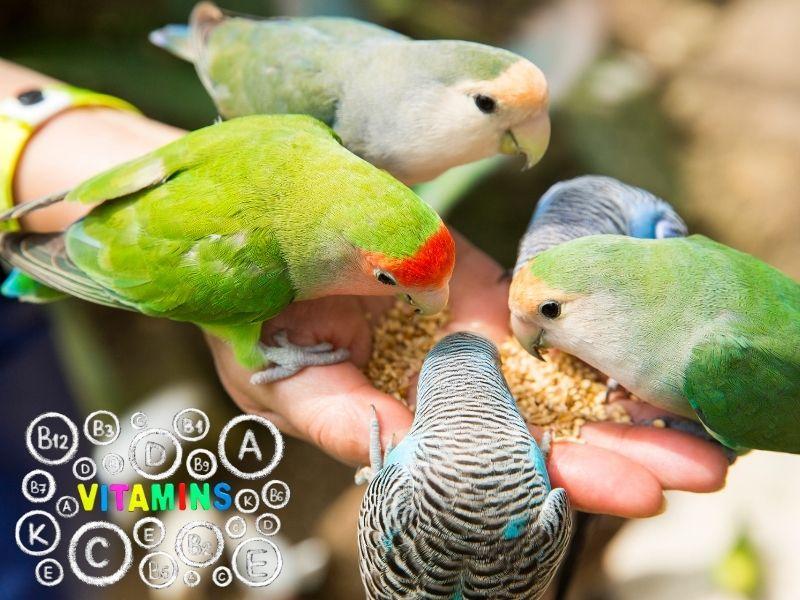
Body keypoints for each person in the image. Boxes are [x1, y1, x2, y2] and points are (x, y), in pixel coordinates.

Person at [0, 59, 728, 518]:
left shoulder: (299, 140)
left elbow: (169, 162)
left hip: (60, 220)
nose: (426, 308)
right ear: (347, 252)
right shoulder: (253, 268)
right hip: (108, 252)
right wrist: (271, 354)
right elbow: (148, 230)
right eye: (392, 281)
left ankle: (77, 511)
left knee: (43, 480)